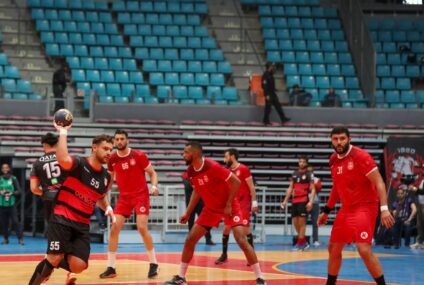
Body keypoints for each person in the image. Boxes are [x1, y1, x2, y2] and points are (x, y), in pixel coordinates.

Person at [164, 141, 266, 285]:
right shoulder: (191, 171)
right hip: (211, 209)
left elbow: (236, 182)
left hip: (230, 206)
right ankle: (181, 277)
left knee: (241, 240)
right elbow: (197, 191)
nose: (183, 155)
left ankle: (260, 277)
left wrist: (229, 204)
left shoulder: (213, 167)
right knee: (190, 239)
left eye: (186, 152)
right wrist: (188, 212)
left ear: (196, 153)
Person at [28, 123, 116, 285]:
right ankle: (49, 264)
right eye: (105, 148)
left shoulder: (106, 176)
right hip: (62, 219)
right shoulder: (79, 164)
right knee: (54, 258)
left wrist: (108, 207)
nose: (109, 153)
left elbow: (100, 197)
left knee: (79, 266)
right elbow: (62, 158)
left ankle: (53, 260)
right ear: (94, 147)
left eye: (111, 149)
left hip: (82, 226)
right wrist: (63, 132)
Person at [318, 126, 395, 285]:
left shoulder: (361, 156)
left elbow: (379, 181)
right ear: (331, 140)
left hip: (365, 207)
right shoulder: (333, 159)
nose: (339, 142)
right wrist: (326, 211)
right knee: (333, 248)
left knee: (364, 250)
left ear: (349, 139)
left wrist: (384, 209)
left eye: (342, 138)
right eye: (335, 139)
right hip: (347, 209)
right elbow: (337, 188)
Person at [99, 129, 160, 279]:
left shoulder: (138, 155)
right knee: (114, 229)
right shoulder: (112, 158)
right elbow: (111, 178)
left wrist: (154, 186)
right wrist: (103, 193)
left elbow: (152, 173)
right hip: (124, 198)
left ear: (127, 140)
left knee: (141, 227)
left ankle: (153, 263)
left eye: (122, 139)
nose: (119, 141)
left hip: (140, 196)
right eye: (117, 139)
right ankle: (111, 267)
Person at [215, 148, 258, 264]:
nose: (224, 159)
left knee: (244, 230)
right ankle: (224, 254)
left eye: (226, 156)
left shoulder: (243, 169)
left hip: (243, 204)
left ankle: (251, 255)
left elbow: (251, 187)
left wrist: (254, 202)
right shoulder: (227, 170)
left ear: (232, 157)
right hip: (232, 204)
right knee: (226, 228)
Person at [281, 156, 315, 251]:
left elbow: (313, 189)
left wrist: (311, 202)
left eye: (303, 162)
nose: (301, 163)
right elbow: (290, 188)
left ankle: (299, 244)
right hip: (295, 201)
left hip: (303, 200)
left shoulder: (309, 174)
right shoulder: (294, 174)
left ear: (306, 163)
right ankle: (304, 242)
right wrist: (285, 200)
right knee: (295, 223)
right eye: (300, 161)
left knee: (302, 223)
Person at [182, 172, 215, 245]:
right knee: (190, 221)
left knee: (205, 221)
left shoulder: (201, 175)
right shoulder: (186, 174)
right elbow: (188, 185)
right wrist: (197, 183)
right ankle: (191, 239)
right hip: (190, 203)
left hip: (201, 202)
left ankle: (208, 239)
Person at [0, 163, 24, 245]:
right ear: (2, 169)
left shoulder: (13, 178)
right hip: (2, 204)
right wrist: (1, 192)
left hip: (11, 204)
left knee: (15, 222)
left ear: (9, 169)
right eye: (3, 168)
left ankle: (20, 239)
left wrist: (12, 193)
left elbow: (19, 191)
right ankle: (6, 239)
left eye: (6, 167)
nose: (5, 169)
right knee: (4, 222)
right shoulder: (0, 179)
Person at [307, 164, 322, 247]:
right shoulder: (303, 179)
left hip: (315, 203)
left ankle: (315, 240)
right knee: (302, 223)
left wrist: (312, 184)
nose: (309, 172)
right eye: (308, 171)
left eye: (311, 171)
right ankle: (302, 240)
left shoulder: (316, 180)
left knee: (315, 223)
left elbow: (319, 188)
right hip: (305, 202)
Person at [410, 165, 424, 249]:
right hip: (420, 204)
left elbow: (422, 191)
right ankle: (419, 242)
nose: (422, 170)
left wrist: (415, 189)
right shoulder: (422, 180)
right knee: (419, 224)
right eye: (422, 169)